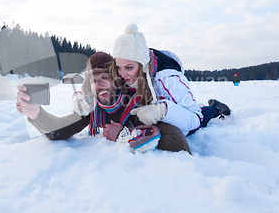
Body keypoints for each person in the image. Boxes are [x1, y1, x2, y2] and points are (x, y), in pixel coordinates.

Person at [16, 52, 192, 154]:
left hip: (184, 112)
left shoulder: (136, 102)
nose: (98, 85)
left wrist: (123, 136)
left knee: (203, 118)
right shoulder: (91, 106)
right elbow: (60, 131)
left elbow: (176, 142)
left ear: (116, 79)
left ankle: (214, 109)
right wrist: (35, 113)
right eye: (93, 80)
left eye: (104, 78)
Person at [108, 24, 230, 137]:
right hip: (174, 110)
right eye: (119, 67)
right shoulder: (126, 76)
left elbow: (196, 119)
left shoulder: (169, 79)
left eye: (129, 68)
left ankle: (217, 108)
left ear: (143, 65)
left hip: (186, 118)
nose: (122, 74)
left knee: (202, 116)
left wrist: (161, 111)